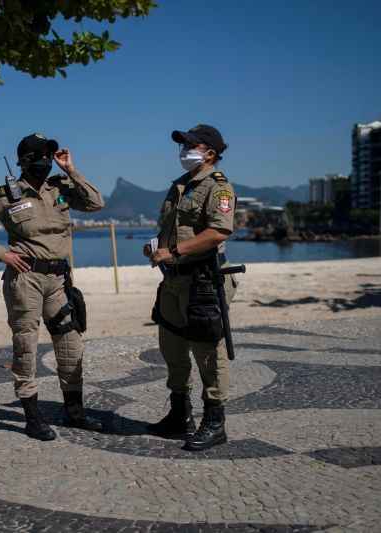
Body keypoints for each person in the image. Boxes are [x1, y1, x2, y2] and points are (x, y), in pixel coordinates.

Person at [0, 133, 104, 441]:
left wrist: (71, 169)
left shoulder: (61, 187)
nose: (46, 159)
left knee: (70, 344)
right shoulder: (6, 194)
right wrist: (3, 255)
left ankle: (75, 412)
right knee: (26, 345)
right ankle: (32, 416)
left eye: (50, 154)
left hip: (60, 279)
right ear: (25, 160)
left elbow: (96, 202)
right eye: (41, 154)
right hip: (25, 278)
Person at [144, 124, 238, 451]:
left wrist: (174, 251)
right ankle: (178, 413)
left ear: (210, 152)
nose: (183, 151)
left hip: (203, 281)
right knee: (172, 348)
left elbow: (218, 232)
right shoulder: (180, 186)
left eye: (190, 145)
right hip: (173, 279)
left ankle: (215, 421)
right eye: (182, 145)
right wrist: (157, 245)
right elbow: (172, 229)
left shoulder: (219, 188)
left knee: (207, 352)